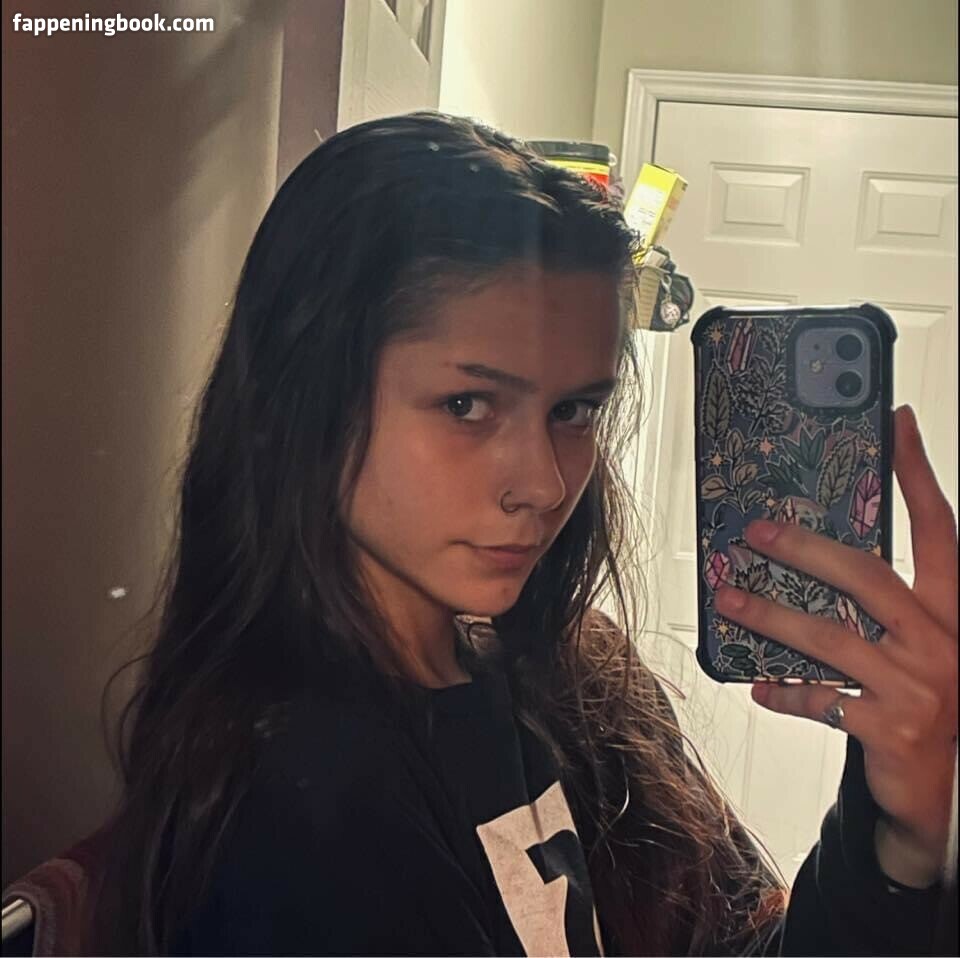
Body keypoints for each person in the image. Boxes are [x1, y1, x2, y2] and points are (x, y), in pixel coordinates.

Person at [88, 112, 957, 956]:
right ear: (302, 397)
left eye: (573, 410)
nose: (545, 485)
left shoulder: (575, 677)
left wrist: (900, 836)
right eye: (467, 404)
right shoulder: (287, 811)